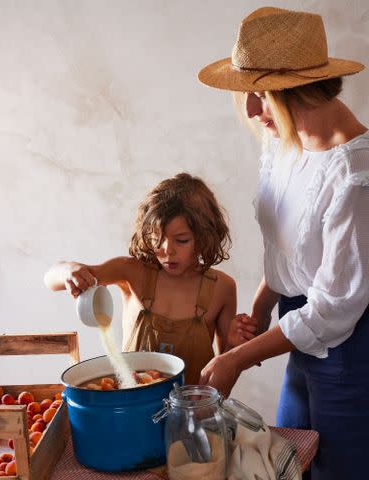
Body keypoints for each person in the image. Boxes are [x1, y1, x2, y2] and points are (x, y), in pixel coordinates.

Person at [197, 6, 368, 480]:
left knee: (341, 470)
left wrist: (237, 358)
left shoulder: (356, 177)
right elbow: (287, 247)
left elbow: (335, 307)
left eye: (262, 95)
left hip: (350, 348)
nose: (252, 111)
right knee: (289, 463)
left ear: (302, 90)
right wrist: (259, 305)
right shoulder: (282, 142)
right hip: (297, 329)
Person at [44, 172, 246, 384]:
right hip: (130, 411)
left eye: (182, 240)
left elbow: (222, 384)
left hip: (191, 415)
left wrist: (235, 346)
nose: (168, 251)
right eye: (157, 239)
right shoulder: (131, 272)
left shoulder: (222, 288)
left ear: (205, 236)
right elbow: (50, 279)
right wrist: (69, 271)